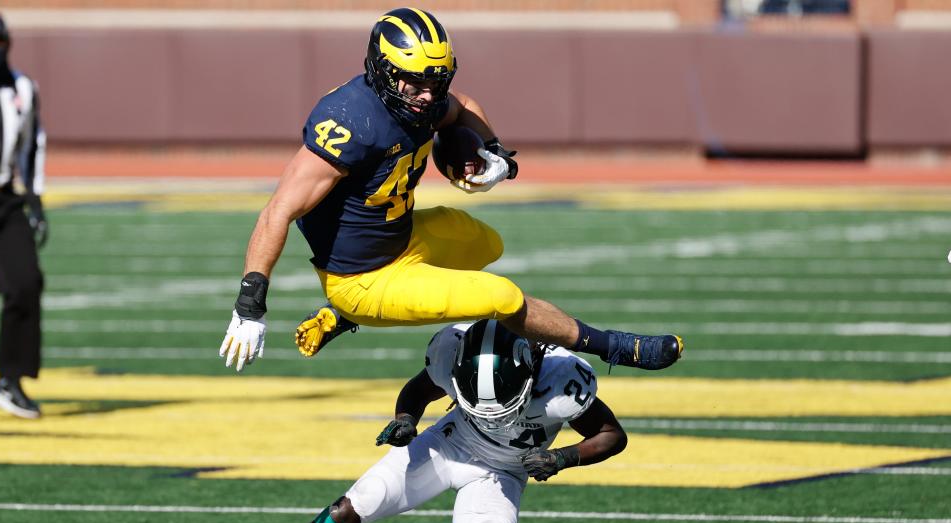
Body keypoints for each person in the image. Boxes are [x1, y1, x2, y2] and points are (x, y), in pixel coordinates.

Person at [219, 7, 682, 375]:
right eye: (415, 81)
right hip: (364, 280)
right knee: (501, 296)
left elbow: (462, 109)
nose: (426, 94)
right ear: (383, 71)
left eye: (435, 81)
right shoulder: (349, 123)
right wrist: (249, 305)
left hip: (403, 237)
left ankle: (342, 319)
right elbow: (277, 211)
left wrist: (493, 150)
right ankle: (611, 346)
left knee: (486, 243)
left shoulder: (422, 99)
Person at [194, 318, 628, 523]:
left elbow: (611, 435)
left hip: (503, 471)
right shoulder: (451, 351)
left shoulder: (563, 380)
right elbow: (418, 392)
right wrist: (406, 419)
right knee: (343, 512)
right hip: (452, 443)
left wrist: (564, 456)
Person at [0, 11, 47, 420]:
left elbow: (33, 144)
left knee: (26, 282)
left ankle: (10, 380)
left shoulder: (24, 88)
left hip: (4, 198)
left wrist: (35, 197)